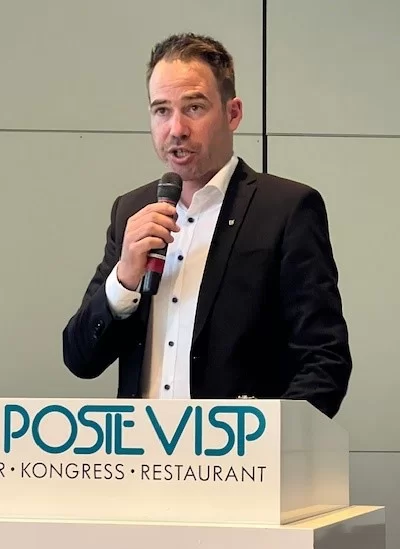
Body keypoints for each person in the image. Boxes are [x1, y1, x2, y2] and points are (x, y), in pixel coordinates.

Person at [63, 33, 352, 418]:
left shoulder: (286, 209)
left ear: (233, 114)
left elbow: (325, 360)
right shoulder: (130, 211)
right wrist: (125, 279)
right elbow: (80, 358)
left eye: (194, 107)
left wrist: (265, 441)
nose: (176, 128)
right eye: (161, 110)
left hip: (242, 452)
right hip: (141, 450)